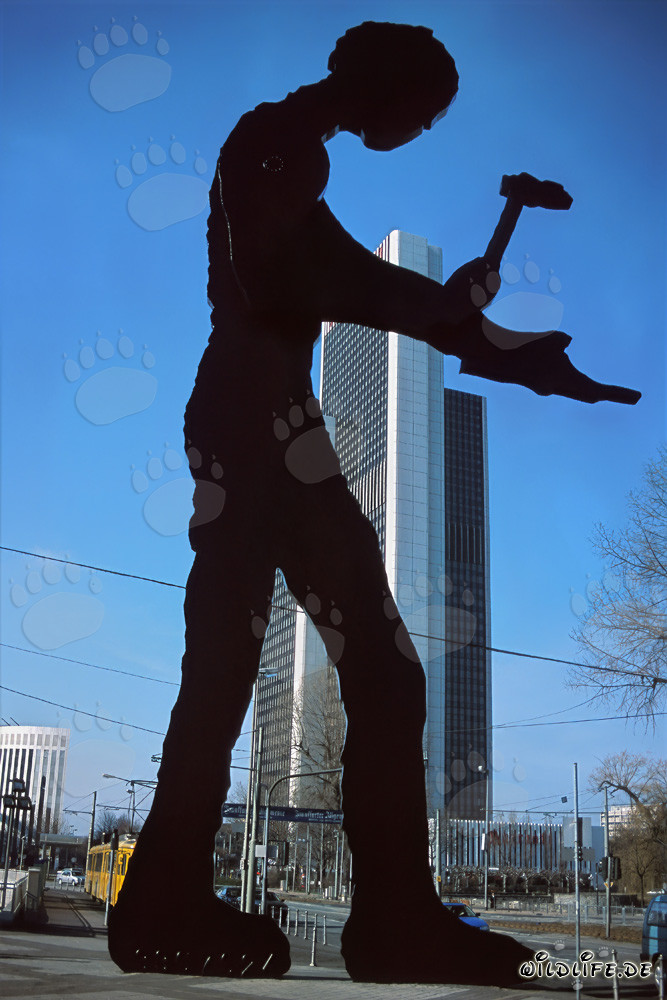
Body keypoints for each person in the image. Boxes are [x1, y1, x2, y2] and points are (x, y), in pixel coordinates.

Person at [108, 21, 640, 985]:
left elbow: (362, 285)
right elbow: (300, 272)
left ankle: (380, 915)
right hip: (250, 417)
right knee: (235, 657)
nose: (423, 129)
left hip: (275, 419)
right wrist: (446, 311)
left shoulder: (295, 160)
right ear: (379, 85)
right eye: (424, 110)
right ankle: (176, 896)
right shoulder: (273, 143)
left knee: (359, 674)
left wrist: (518, 353)